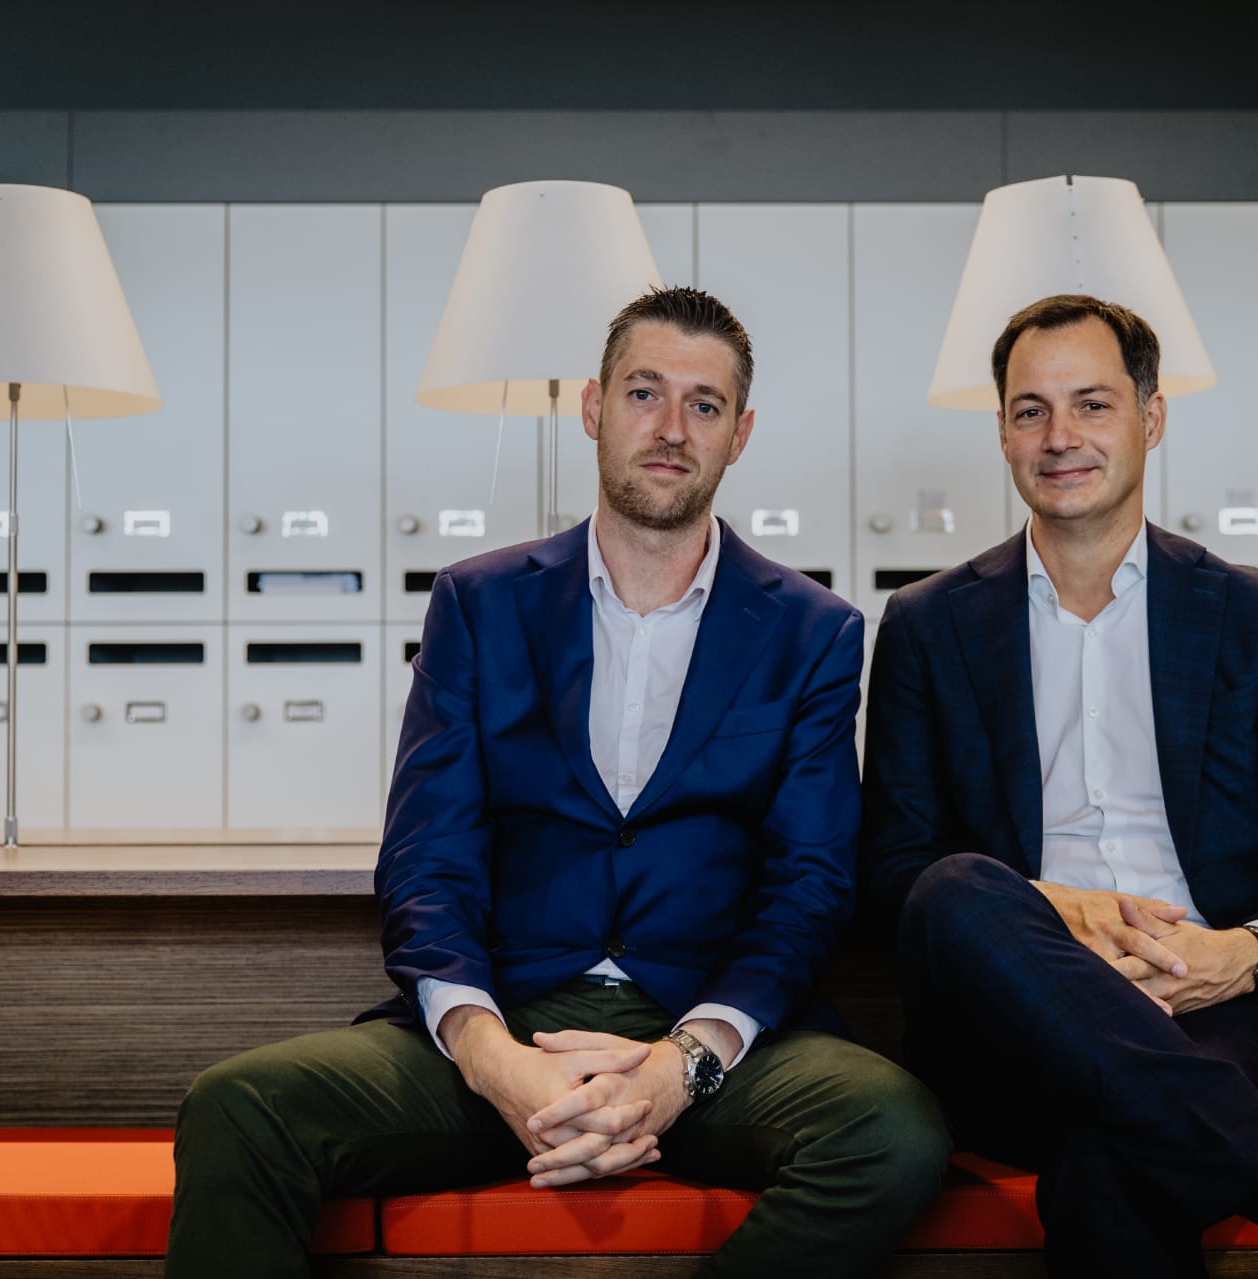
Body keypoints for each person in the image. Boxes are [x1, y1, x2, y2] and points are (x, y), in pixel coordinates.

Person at [168, 286, 950, 1278]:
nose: (671, 428)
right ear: (592, 406)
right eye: (644, 393)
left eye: (704, 404)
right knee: (240, 1105)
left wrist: (678, 1067)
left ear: (740, 434)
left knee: (892, 1129)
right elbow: (426, 857)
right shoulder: (479, 603)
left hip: (707, 1043)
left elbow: (810, 884)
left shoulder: (812, 631)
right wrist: (497, 1061)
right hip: (503, 1023)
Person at [860, 294, 1258, 1279]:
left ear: (1151, 416)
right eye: (1031, 410)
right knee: (958, 883)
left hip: (1223, 1017)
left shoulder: (1255, 615)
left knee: (1112, 1155)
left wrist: (1238, 956)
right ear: (1002, 431)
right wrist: (1050, 908)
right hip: (1017, 1024)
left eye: (1092, 404)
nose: (1060, 437)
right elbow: (892, 870)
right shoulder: (929, 623)